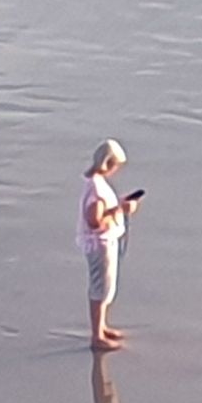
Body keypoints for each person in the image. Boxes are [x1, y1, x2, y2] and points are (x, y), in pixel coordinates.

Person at [79, 138, 141, 350]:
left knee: (104, 287)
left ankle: (101, 327)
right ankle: (97, 336)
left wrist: (118, 204)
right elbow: (94, 220)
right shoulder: (96, 189)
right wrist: (120, 210)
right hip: (100, 245)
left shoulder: (94, 183)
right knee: (100, 288)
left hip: (101, 243)